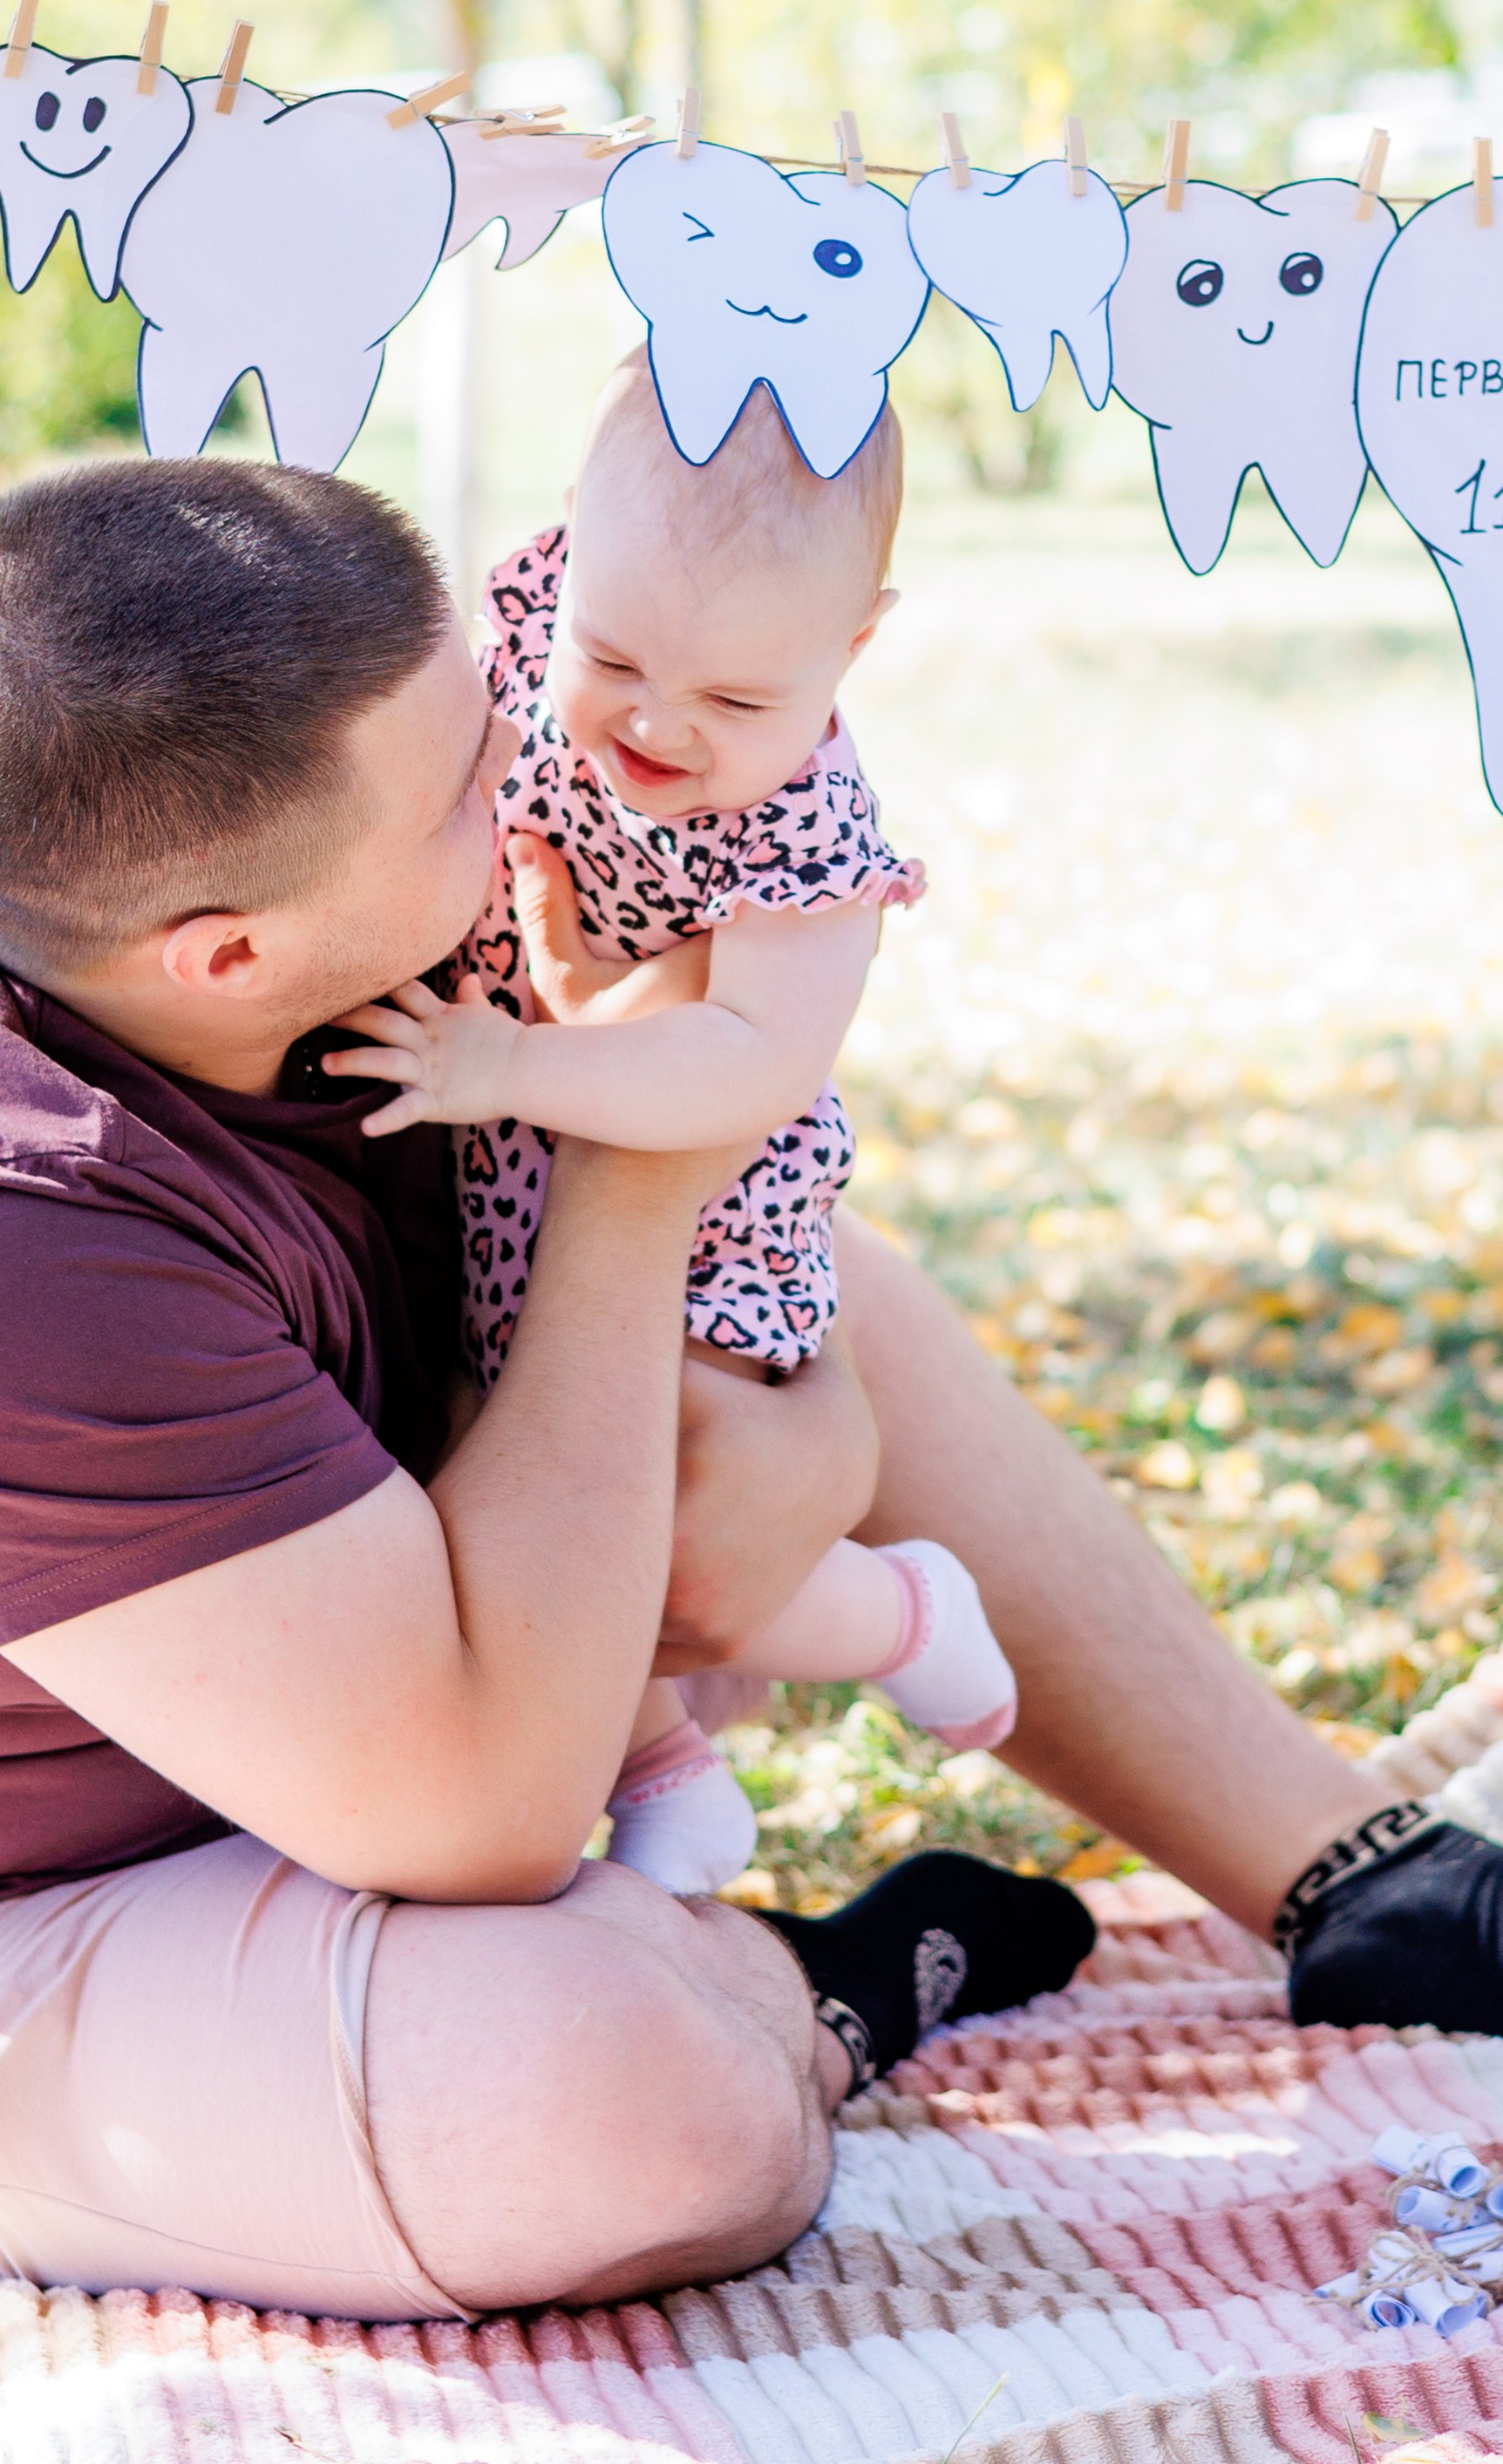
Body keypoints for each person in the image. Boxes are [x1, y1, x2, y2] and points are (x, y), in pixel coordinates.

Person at [0, 459, 1503, 2329]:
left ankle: (1350, 1883)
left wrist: (778, 1416)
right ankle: (805, 1991)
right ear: (225, 951)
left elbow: (711, 1345)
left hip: (232, 1723)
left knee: (794, 1284)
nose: (536, 763)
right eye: (463, 779)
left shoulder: (168, 866)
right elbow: (484, 1809)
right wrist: (632, 1176)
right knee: (617, 2094)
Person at [326, 359, 1017, 1898]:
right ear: (569, 544)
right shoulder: (517, 624)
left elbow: (747, 1061)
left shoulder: (808, 832)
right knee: (494, 1508)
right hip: (502, 1169)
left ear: (854, 646)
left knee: (672, 1527)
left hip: (708, 1219)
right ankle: (663, 1771)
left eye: (736, 699)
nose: (657, 722)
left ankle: (900, 1611)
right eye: (618, 654)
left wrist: (511, 1061)